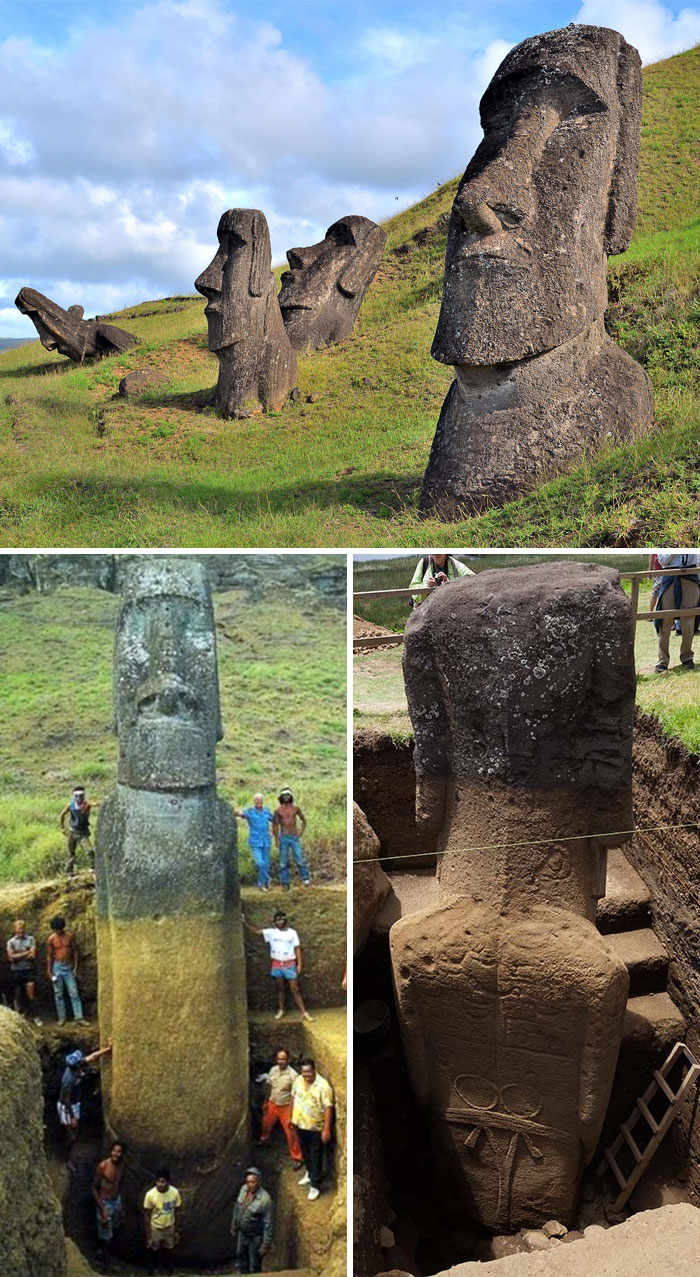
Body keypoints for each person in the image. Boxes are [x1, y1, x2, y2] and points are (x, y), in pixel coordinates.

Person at [242, 908, 313, 1022]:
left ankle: (304, 1012)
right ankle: (281, 1010)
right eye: (277, 920)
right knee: (280, 988)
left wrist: (299, 964)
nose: (279, 922)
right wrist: (244, 922)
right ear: (274, 922)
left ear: (285, 921)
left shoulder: (292, 933)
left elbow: (297, 948)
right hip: (277, 963)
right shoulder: (271, 932)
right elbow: (256, 931)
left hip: (289, 964)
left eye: (281, 920)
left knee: (295, 989)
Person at [58, 1041, 113, 1166]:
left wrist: (107, 1050)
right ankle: (66, 1158)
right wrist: (72, 1117)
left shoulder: (78, 1065)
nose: (82, 1061)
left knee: (75, 1131)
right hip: (67, 1108)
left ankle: (69, 1148)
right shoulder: (68, 1080)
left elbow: (93, 1056)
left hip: (75, 1103)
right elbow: (66, 1100)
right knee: (71, 1134)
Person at [291, 1058, 334, 1201]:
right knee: (305, 1151)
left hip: (315, 1128)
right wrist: (292, 1119)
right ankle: (309, 1173)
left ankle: (315, 1186)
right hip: (300, 1124)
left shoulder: (323, 1086)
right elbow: (293, 1098)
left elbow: (328, 1108)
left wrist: (326, 1129)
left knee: (316, 1155)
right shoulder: (298, 1081)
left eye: (308, 1072)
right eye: (304, 1072)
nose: (306, 1075)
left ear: (314, 1070)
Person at [654, 552, 700, 672]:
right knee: (665, 622)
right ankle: (663, 660)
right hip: (669, 577)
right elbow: (662, 560)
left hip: (690, 576)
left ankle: (687, 657)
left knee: (688, 622)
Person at [257, 1047, 303, 1166]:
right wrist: (266, 1101)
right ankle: (264, 1141)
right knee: (265, 1125)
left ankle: (297, 1157)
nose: (280, 1061)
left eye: (283, 1059)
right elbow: (270, 1087)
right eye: (278, 1059)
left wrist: (294, 1111)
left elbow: (297, 1095)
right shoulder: (273, 1070)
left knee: (291, 1132)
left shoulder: (293, 1075)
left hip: (286, 1106)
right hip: (272, 1103)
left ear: (288, 1060)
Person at [46, 915, 89, 1026]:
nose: (58, 932)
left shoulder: (70, 936)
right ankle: (62, 1018)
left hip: (68, 967)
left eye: (60, 929)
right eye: (56, 930)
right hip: (57, 967)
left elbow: (75, 952)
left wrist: (75, 967)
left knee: (74, 992)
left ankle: (79, 1017)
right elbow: (50, 956)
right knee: (58, 994)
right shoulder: (51, 939)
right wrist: (49, 971)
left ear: (63, 927)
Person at [230, 1166, 273, 1274]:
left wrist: (265, 1244)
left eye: (253, 1182)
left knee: (254, 1264)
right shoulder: (243, 1189)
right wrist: (234, 1224)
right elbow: (237, 1207)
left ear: (259, 1181)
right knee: (241, 1258)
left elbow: (268, 1223)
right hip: (242, 1233)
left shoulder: (265, 1199)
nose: (250, 1185)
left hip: (255, 1237)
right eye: (248, 1182)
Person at [92, 1141, 126, 1271]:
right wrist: (102, 1209)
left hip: (116, 1201)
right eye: (114, 1151)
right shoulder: (103, 1166)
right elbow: (94, 1188)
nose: (116, 1154)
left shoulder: (122, 1166)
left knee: (115, 1231)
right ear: (110, 1151)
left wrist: (122, 1206)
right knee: (106, 1235)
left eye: (119, 1151)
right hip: (105, 1203)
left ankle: (104, 1255)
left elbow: (121, 1185)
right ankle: (105, 1266)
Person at [143, 1167, 182, 1275]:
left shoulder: (174, 1193)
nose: (161, 1184)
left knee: (169, 1249)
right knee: (153, 1249)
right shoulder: (150, 1195)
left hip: (169, 1227)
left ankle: (168, 1270)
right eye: (158, 1181)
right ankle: (152, 1270)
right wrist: (148, 1235)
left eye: (163, 1181)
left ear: (168, 1182)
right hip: (156, 1227)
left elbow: (177, 1211)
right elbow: (146, 1215)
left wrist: (176, 1230)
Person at [273, 788, 311, 888]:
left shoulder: (295, 808)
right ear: (281, 797)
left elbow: (304, 820)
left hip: (294, 837)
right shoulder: (278, 810)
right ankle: (285, 882)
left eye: (288, 795)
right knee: (283, 861)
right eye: (284, 795)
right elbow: (275, 825)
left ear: (291, 797)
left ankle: (305, 879)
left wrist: (301, 832)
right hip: (284, 837)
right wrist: (276, 839)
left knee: (299, 858)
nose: (286, 797)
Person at [6, 918, 41, 1024]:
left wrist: (18, 956)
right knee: (17, 994)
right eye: (18, 929)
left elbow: (33, 955)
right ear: (14, 929)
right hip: (16, 971)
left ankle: (35, 1017)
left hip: (28, 970)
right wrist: (26, 953)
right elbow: (11, 958)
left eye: (22, 929)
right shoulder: (10, 942)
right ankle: (18, 1018)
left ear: (25, 929)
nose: (20, 931)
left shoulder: (31, 939)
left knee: (31, 995)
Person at [236, 793, 274, 891]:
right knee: (260, 863)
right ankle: (267, 879)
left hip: (266, 841)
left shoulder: (266, 811)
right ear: (254, 801)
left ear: (263, 801)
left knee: (266, 864)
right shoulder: (250, 812)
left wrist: (273, 832)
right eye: (257, 800)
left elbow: (276, 821)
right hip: (255, 841)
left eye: (260, 799)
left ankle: (263, 884)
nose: (259, 801)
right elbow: (240, 813)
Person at [409, 553, 473, 607]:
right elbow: (413, 589)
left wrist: (450, 584)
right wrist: (426, 587)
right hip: (426, 609)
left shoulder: (456, 565)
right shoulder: (424, 563)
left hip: (451, 607)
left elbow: (474, 580)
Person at [59, 786, 95, 876]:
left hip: (82, 832)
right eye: (76, 796)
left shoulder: (86, 805)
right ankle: (69, 873)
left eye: (81, 796)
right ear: (73, 796)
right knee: (70, 853)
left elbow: (96, 803)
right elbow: (62, 814)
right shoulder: (71, 805)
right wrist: (62, 827)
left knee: (89, 851)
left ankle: (92, 868)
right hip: (72, 831)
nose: (79, 798)